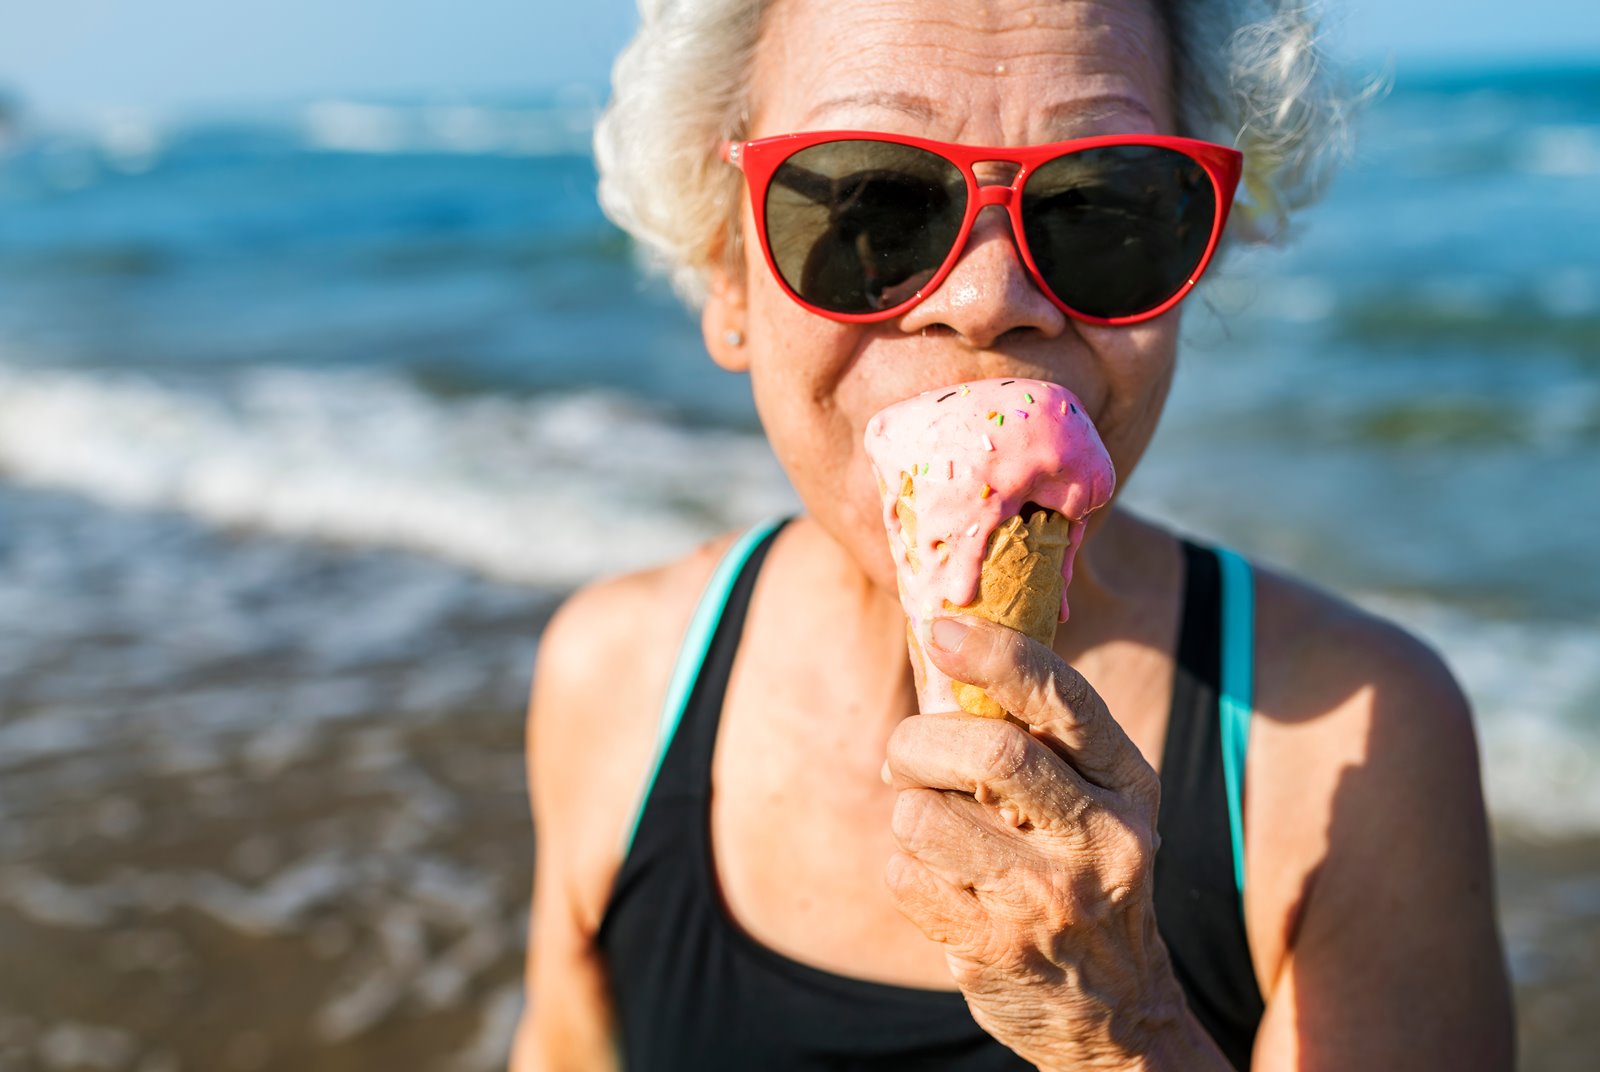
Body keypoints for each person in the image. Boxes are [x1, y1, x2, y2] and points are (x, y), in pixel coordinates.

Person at [512, 0, 1516, 1068]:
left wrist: (1125, 1030)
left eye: (1101, 205)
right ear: (727, 272)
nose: (989, 298)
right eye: (872, 203)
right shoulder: (615, 675)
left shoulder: (1351, 745)